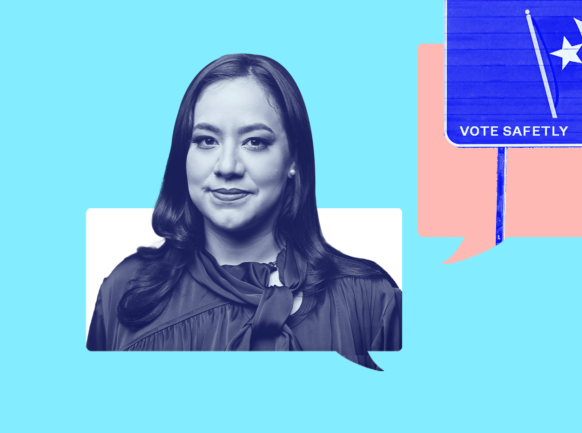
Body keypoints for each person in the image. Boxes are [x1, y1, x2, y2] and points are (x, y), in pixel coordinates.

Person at [87, 54, 401, 370]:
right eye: (206, 140)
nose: (227, 167)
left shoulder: (371, 301)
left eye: (254, 142)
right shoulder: (124, 291)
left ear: (293, 159)